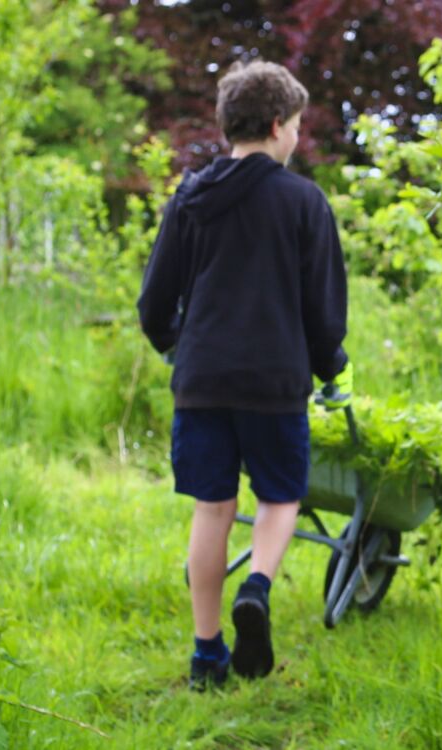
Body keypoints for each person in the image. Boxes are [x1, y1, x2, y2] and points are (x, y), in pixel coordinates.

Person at [136, 61, 350, 690]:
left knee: (213, 507)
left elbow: (155, 303)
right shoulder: (303, 201)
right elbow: (323, 309)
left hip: (202, 380)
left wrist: (179, 347)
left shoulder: (189, 199)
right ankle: (256, 586)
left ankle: (207, 655)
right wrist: (329, 365)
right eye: (297, 127)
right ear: (279, 124)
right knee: (281, 496)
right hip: (274, 382)